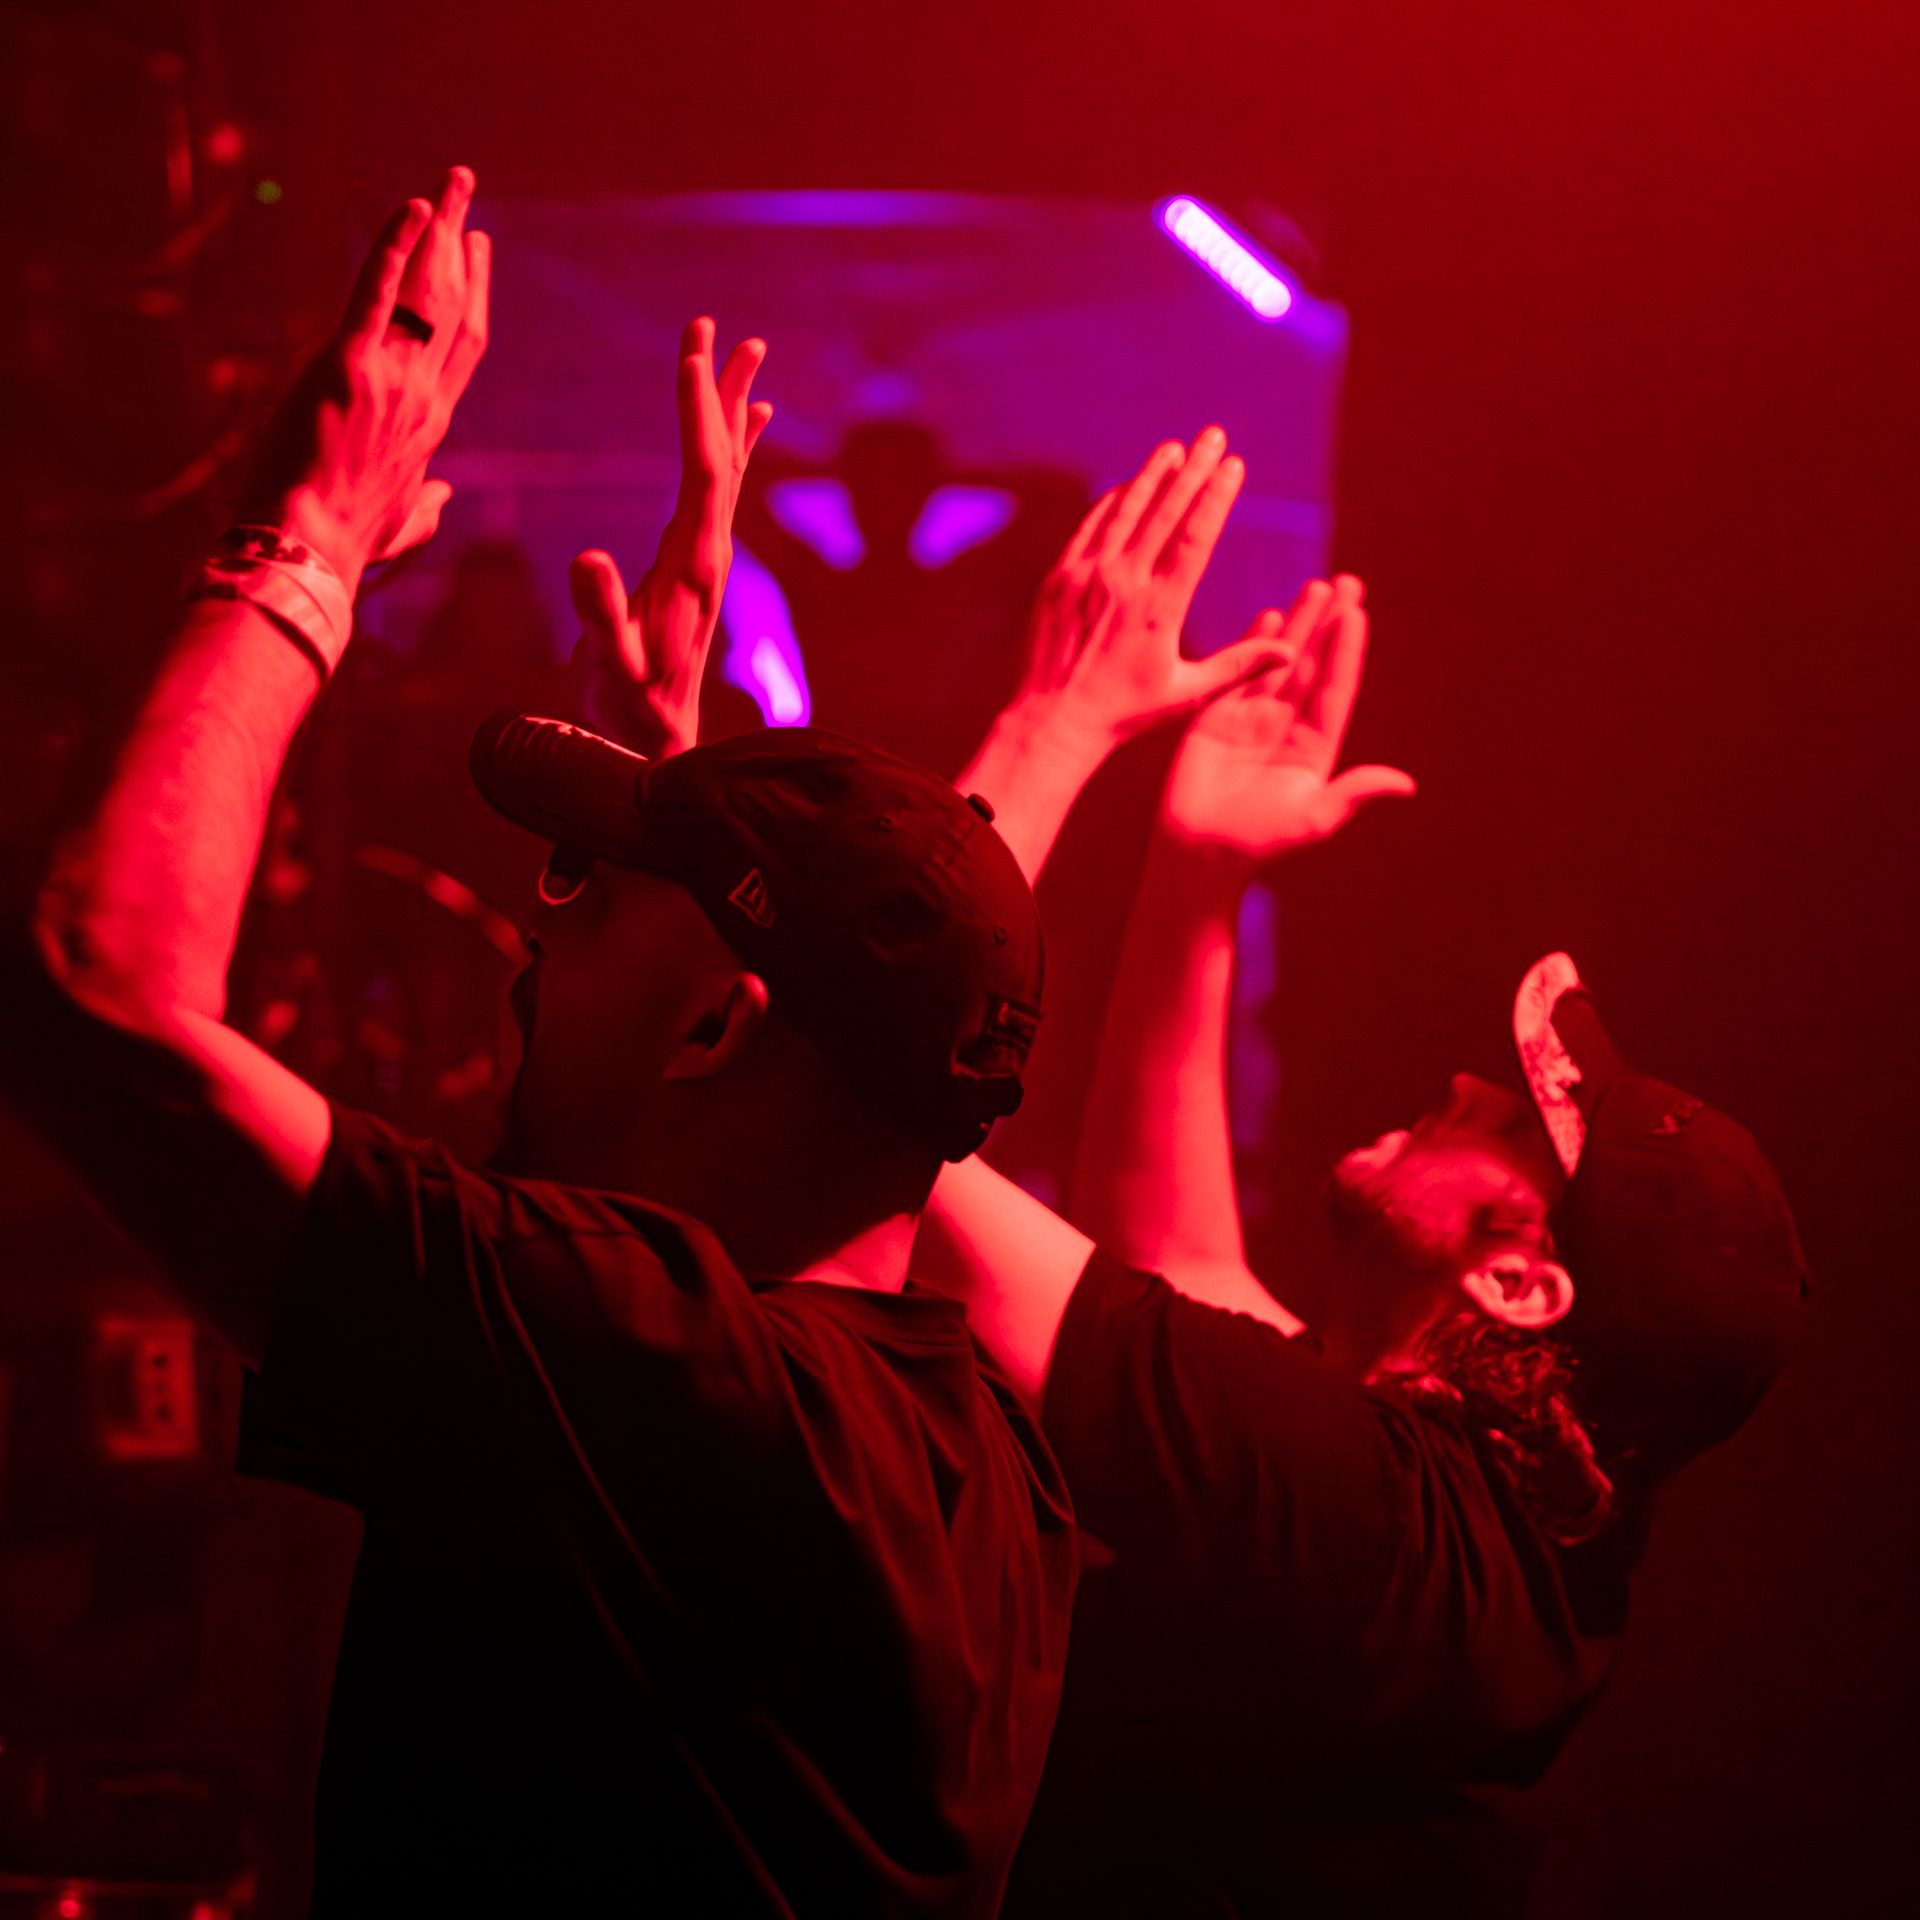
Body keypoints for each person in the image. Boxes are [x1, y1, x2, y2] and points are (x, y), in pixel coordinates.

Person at [4, 170, 1082, 1918]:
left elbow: (96, 990)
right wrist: (682, 794)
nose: (535, 923)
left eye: (589, 889)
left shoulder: (653, 1367)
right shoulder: (982, 1475)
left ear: (723, 1023)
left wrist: (305, 544)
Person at [915, 495, 1810, 1915]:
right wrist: (1203, 873)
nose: (1466, 1079)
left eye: (1517, 1122)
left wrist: (1058, 722)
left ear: (1523, 1284)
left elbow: (874, 1112)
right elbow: (1172, 1252)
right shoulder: (1478, 1549)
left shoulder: (1366, 1522)